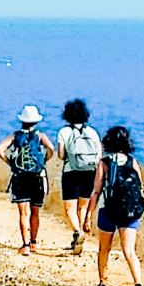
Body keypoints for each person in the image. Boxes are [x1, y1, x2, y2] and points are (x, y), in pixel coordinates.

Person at [90, 125, 144, 286]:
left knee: (104, 249)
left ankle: (103, 283)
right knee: (129, 251)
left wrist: (87, 215)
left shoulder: (105, 163)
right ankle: (138, 285)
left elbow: (96, 190)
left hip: (107, 210)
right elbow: (139, 186)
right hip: (130, 212)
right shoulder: (133, 162)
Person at [0, 106, 56, 255]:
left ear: (22, 120)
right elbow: (51, 148)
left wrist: (10, 163)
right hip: (37, 177)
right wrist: (44, 161)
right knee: (35, 211)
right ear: (36, 121)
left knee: (23, 213)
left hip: (20, 178)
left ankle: (25, 245)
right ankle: (34, 243)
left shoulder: (15, 136)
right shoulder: (40, 136)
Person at [56, 100, 103, 252]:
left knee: (70, 207)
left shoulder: (64, 132)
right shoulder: (92, 132)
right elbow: (99, 155)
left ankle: (77, 232)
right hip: (89, 172)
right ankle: (79, 236)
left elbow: (61, 155)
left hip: (71, 171)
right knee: (83, 206)